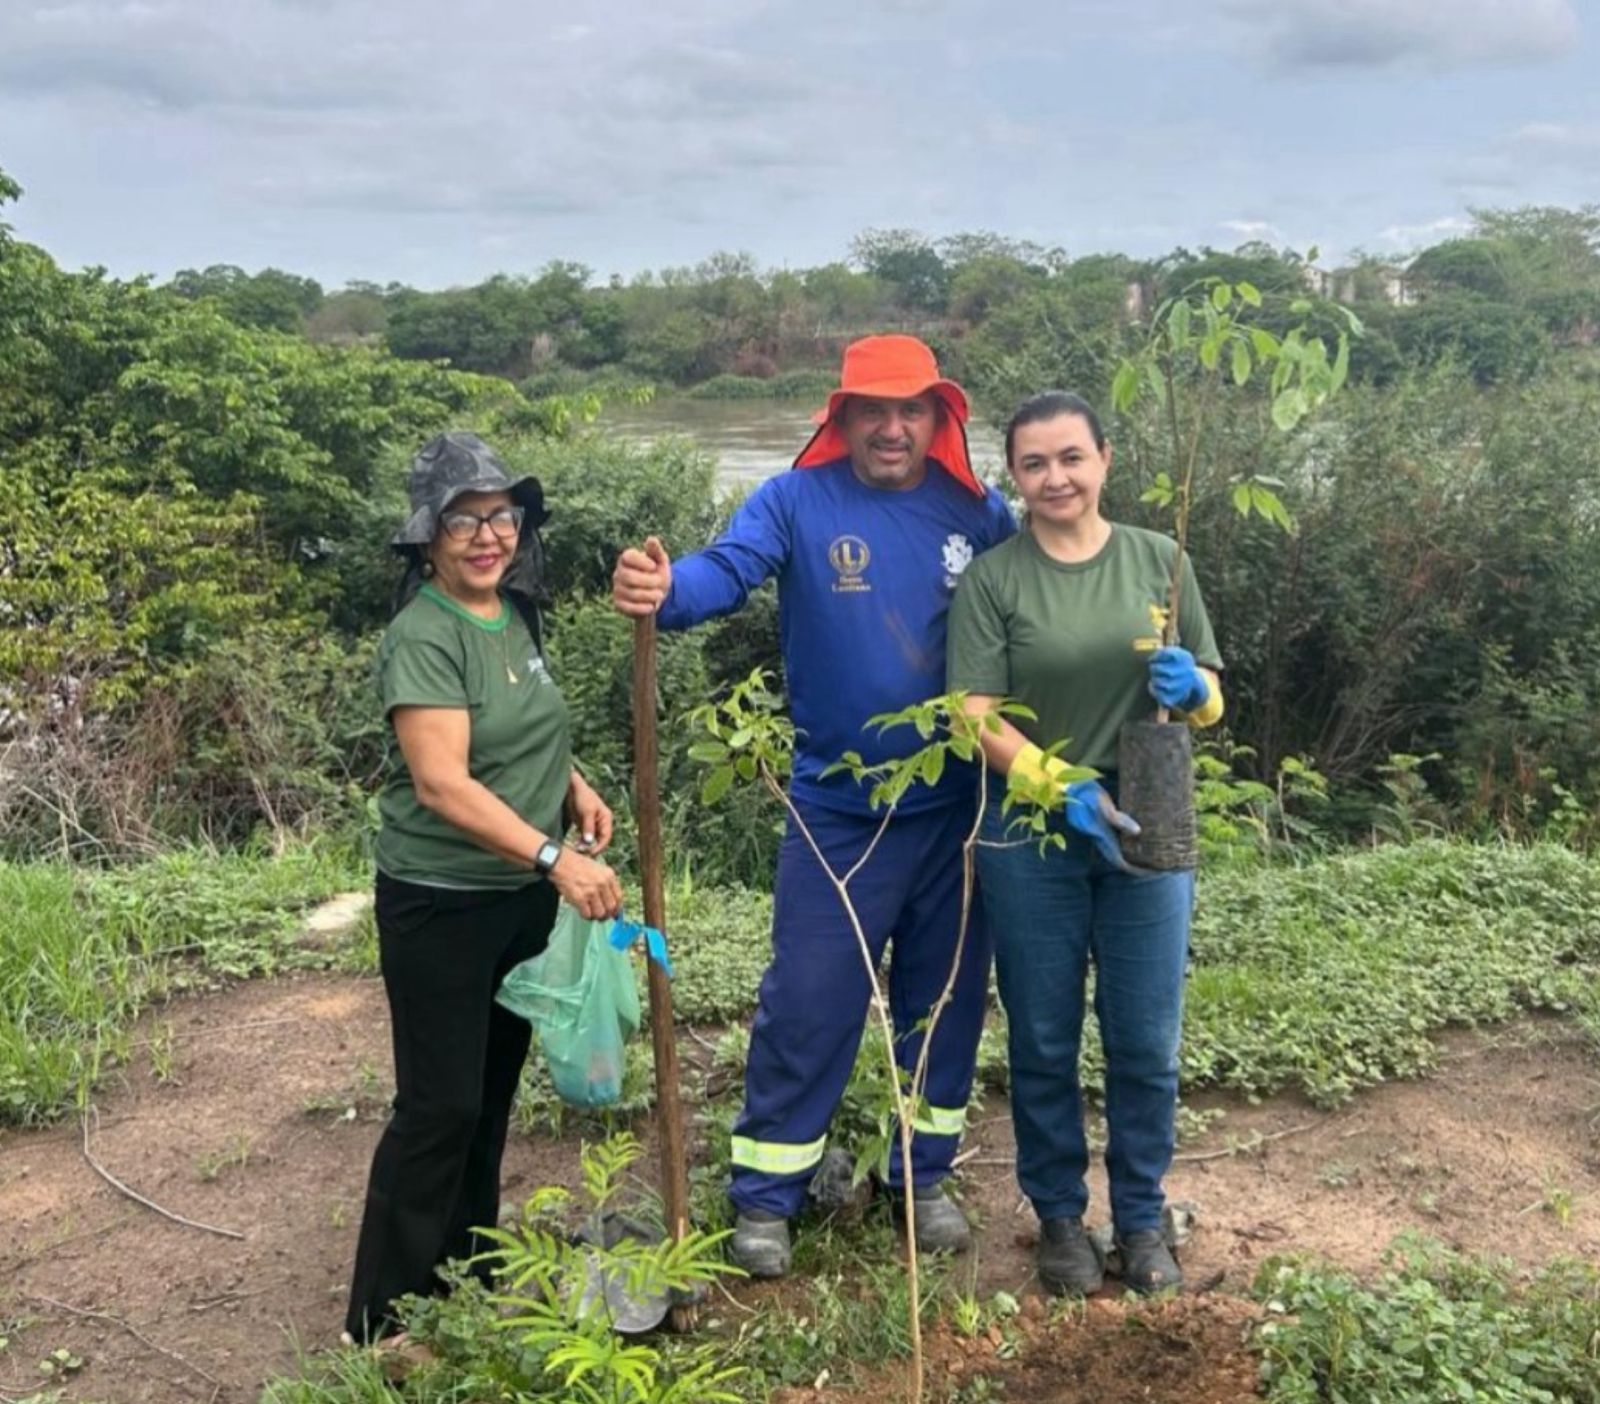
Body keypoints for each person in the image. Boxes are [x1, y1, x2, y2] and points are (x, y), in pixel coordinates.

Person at [611, 336, 1014, 1277]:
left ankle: (922, 1177)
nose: (891, 426)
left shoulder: (978, 513)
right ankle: (765, 1195)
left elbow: (1037, 609)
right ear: (841, 418)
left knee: (944, 1005)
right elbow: (727, 567)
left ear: (938, 419)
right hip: (836, 812)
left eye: (910, 409)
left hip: (958, 813)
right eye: (871, 409)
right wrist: (666, 590)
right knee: (809, 1000)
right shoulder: (794, 500)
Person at [345, 431, 624, 1344]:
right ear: (428, 537)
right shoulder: (423, 634)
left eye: (501, 517)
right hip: (441, 899)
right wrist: (555, 859)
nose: (487, 536)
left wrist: (572, 783)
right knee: (439, 1105)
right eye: (463, 521)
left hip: (515, 898)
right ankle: (383, 1317)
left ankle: (464, 1269)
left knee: (491, 1090)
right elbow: (444, 783)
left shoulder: (514, 615)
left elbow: (523, 727)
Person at [945, 391, 1224, 1296]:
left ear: (1105, 458)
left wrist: (1195, 691)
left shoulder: (1161, 559)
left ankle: (1142, 1219)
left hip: (1152, 827)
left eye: (1071, 457)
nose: (1055, 477)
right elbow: (972, 716)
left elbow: (1212, 697)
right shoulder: (995, 579)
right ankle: (1060, 1218)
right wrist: (1061, 787)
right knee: (1043, 1035)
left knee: (1145, 1039)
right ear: (1013, 476)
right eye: (1034, 463)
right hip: (1033, 835)